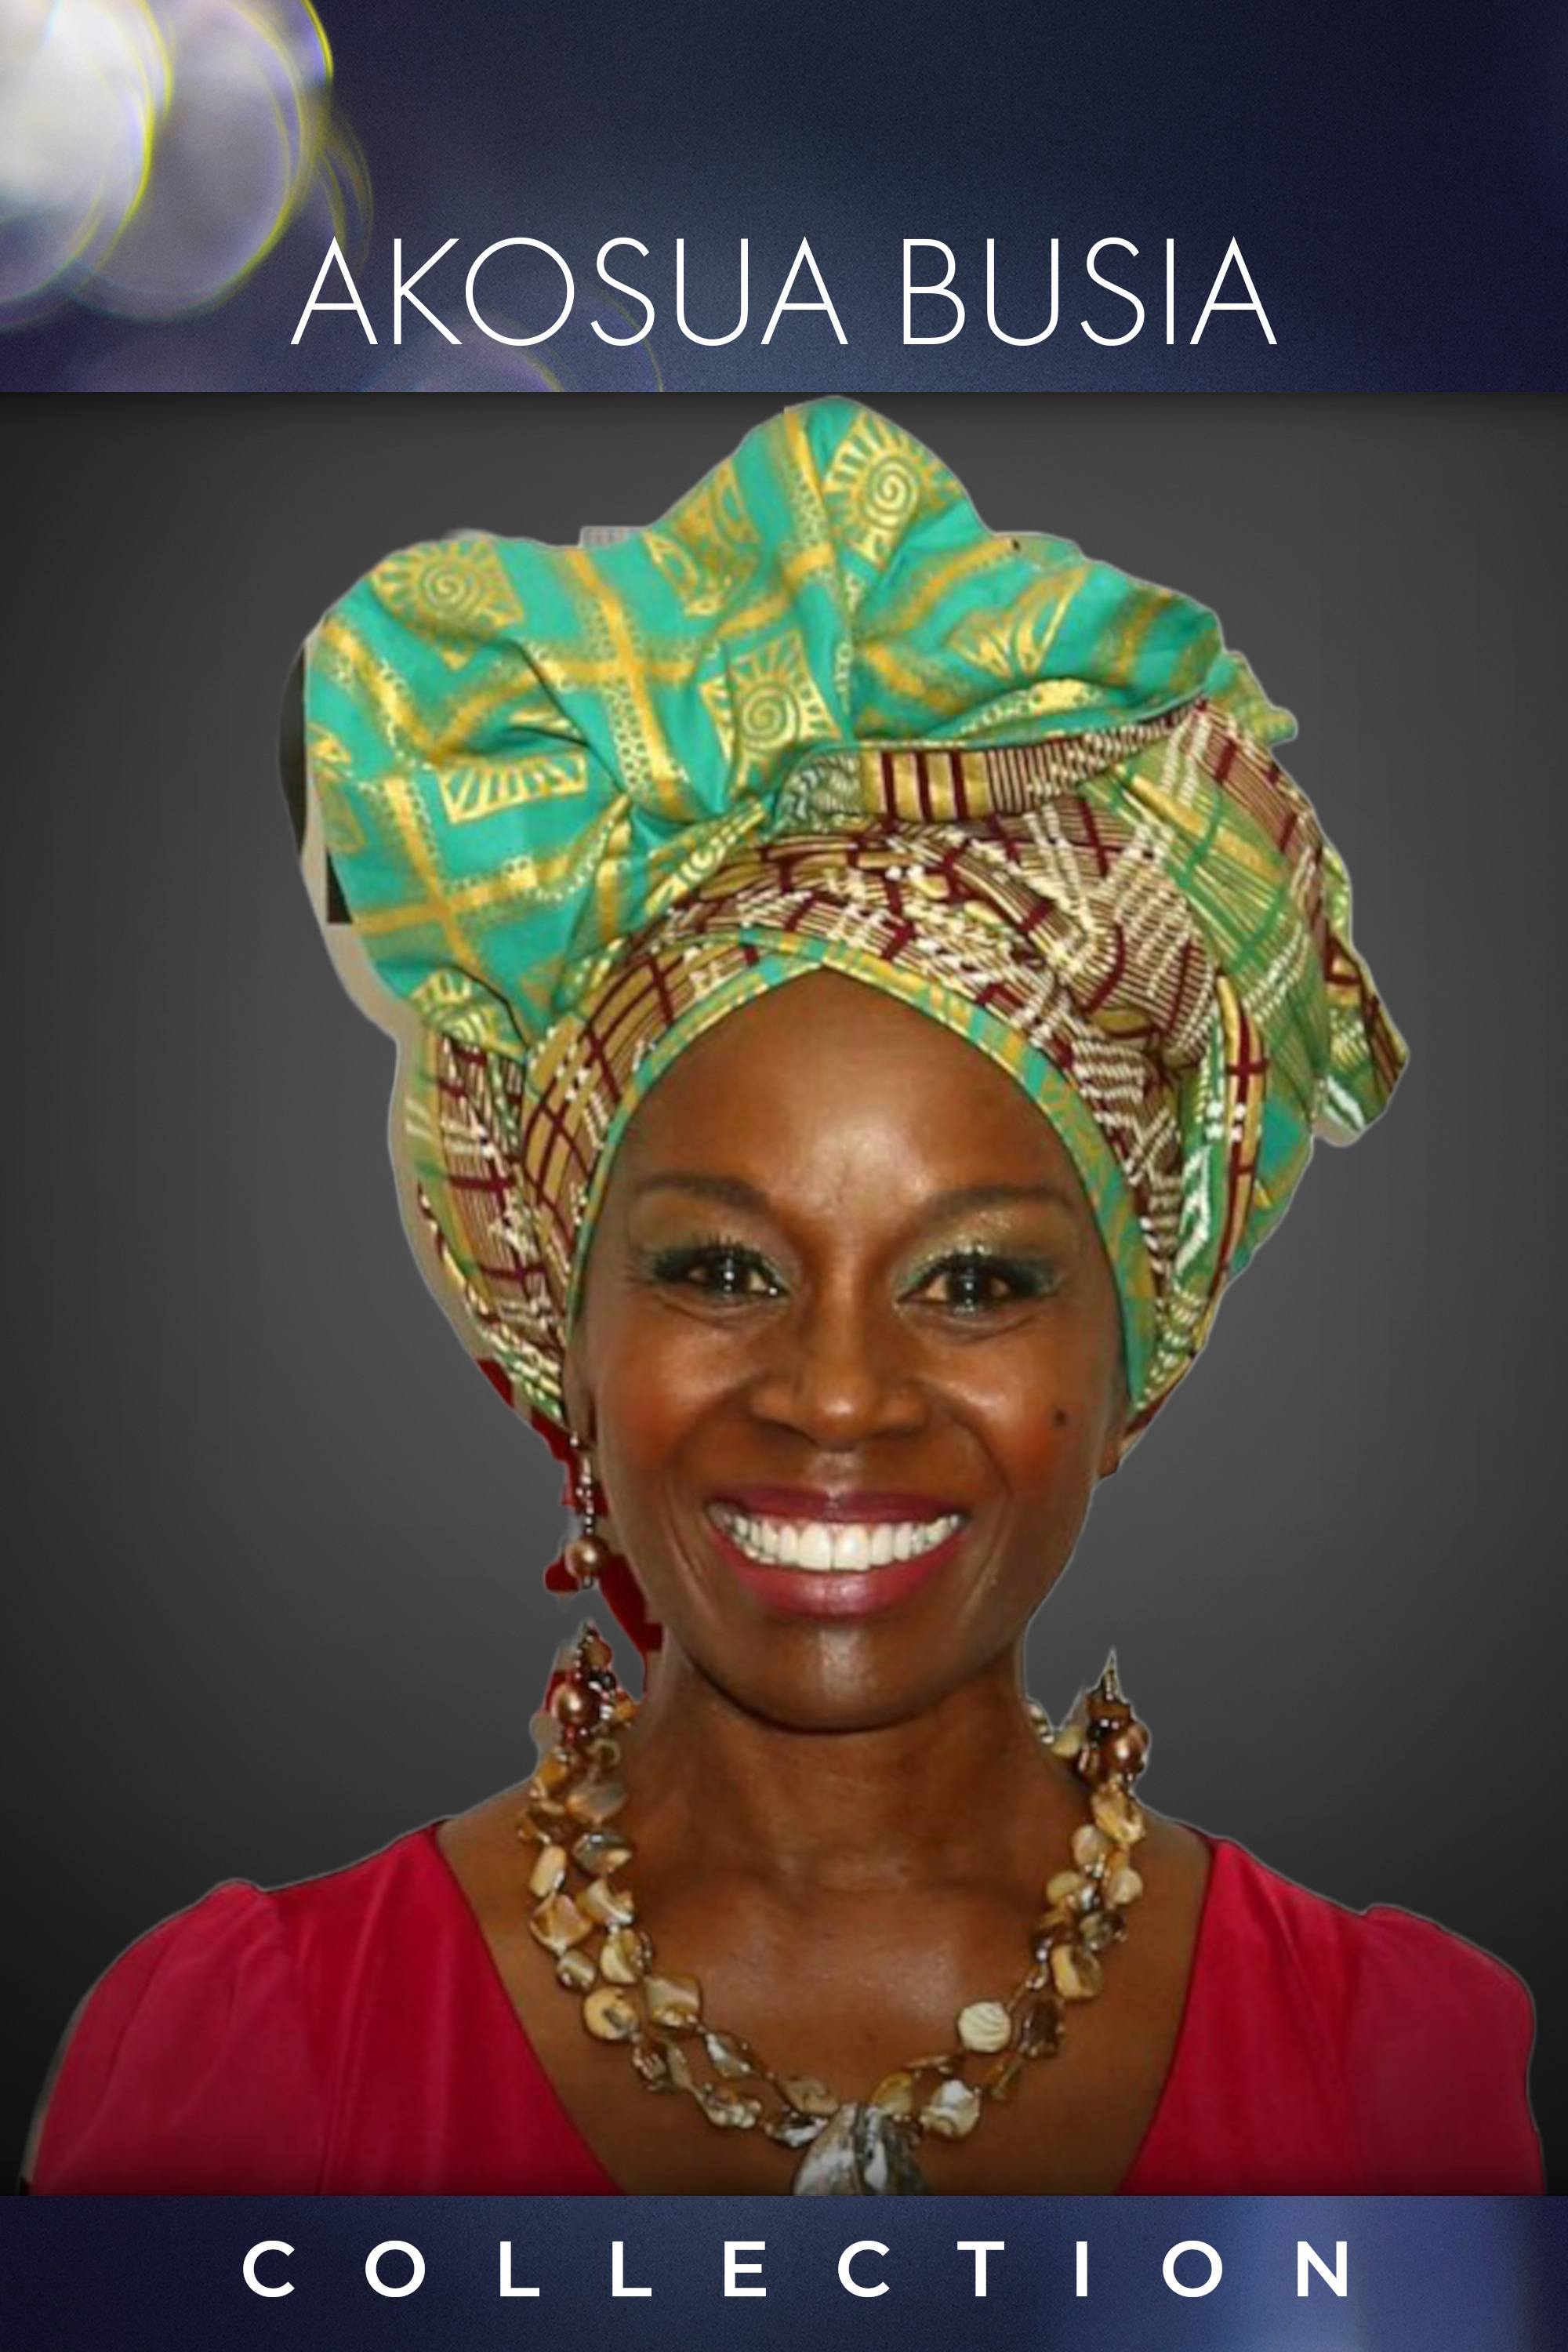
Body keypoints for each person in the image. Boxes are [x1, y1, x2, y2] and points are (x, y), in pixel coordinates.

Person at [24, 400, 1541, 2195]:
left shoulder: (1384, 2078)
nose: (835, 1394)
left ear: (1136, 1358)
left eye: (973, 1281)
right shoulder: (258, 2061)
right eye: (719, 1270)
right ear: (561, 1331)